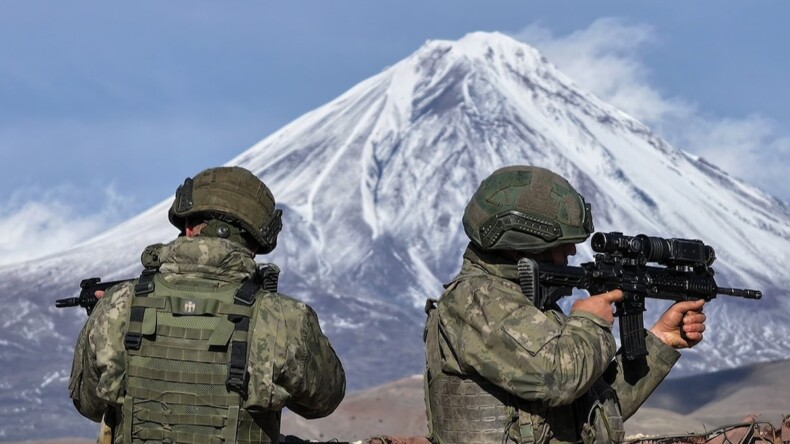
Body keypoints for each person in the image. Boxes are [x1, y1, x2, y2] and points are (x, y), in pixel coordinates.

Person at [423, 166, 707, 444]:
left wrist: (661, 341)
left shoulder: (529, 303)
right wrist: (589, 321)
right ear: (520, 242)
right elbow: (559, 380)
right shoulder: (475, 299)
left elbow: (595, 417)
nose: (571, 251)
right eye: (561, 243)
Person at [69, 166, 345, 444]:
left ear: (188, 227)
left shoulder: (118, 304)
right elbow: (323, 401)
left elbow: (89, 404)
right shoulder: (285, 318)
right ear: (257, 243)